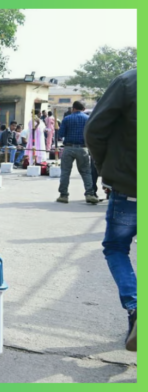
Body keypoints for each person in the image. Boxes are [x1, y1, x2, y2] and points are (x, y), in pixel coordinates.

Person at [85, 68, 137, 351]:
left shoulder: (129, 81)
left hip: (129, 187)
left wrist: (106, 169)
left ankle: (136, 305)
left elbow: (94, 130)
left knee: (116, 248)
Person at [56, 101, 98, 204]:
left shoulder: (67, 119)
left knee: (65, 172)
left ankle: (63, 195)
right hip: (82, 148)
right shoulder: (88, 119)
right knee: (86, 172)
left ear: (73, 108)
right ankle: (89, 194)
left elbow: (61, 134)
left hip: (68, 148)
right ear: (83, 109)